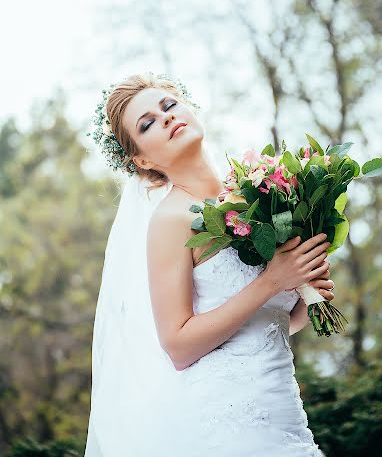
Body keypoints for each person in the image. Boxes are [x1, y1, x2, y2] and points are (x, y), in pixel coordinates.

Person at [84, 71, 334, 456]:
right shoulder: (171, 221)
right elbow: (179, 346)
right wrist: (272, 281)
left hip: (283, 411)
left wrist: (305, 292)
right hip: (227, 422)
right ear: (141, 159)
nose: (166, 117)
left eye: (169, 105)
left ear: (191, 111)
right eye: (148, 123)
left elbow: (275, 322)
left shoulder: (253, 198)